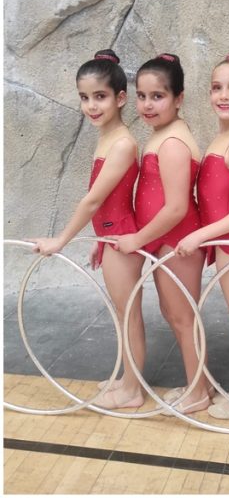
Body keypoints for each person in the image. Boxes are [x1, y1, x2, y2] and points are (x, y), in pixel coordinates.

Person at [29, 50, 148, 410]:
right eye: (84, 98)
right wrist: (97, 238)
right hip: (110, 236)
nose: (91, 106)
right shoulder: (108, 137)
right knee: (121, 312)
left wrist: (61, 240)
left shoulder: (124, 143)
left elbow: (94, 201)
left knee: (128, 314)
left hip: (121, 238)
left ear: (120, 98)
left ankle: (133, 390)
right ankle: (128, 379)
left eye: (100, 97)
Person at [114, 53, 211, 414]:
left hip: (178, 239)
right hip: (165, 240)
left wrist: (138, 240)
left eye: (158, 96)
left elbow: (175, 208)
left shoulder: (172, 143)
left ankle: (199, 390)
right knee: (175, 314)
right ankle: (196, 383)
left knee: (183, 317)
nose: (147, 105)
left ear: (179, 98)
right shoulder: (163, 135)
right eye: (141, 95)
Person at [174, 52, 229, 419]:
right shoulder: (223, 136)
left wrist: (201, 236)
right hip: (223, 242)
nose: (224, 95)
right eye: (217, 88)